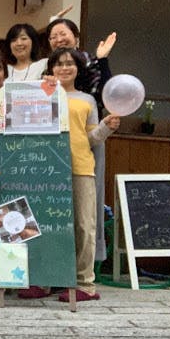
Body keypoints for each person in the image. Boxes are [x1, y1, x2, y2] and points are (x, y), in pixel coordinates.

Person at [19, 48, 119, 302]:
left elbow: (92, 138)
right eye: (59, 64)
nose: (64, 68)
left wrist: (106, 128)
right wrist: (43, 88)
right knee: (46, 225)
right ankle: (44, 279)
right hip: (46, 170)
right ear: (51, 68)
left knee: (84, 225)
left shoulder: (86, 100)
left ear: (78, 68)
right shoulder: (40, 92)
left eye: (70, 64)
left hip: (80, 167)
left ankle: (84, 284)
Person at [46, 14, 117, 262]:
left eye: (63, 33)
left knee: (85, 211)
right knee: (52, 209)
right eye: (53, 36)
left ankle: (84, 272)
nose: (58, 39)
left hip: (85, 139)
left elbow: (106, 94)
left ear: (76, 37)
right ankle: (54, 268)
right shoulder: (47, 79)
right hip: (50, 151)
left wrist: (103, 60)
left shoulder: (88, 64)